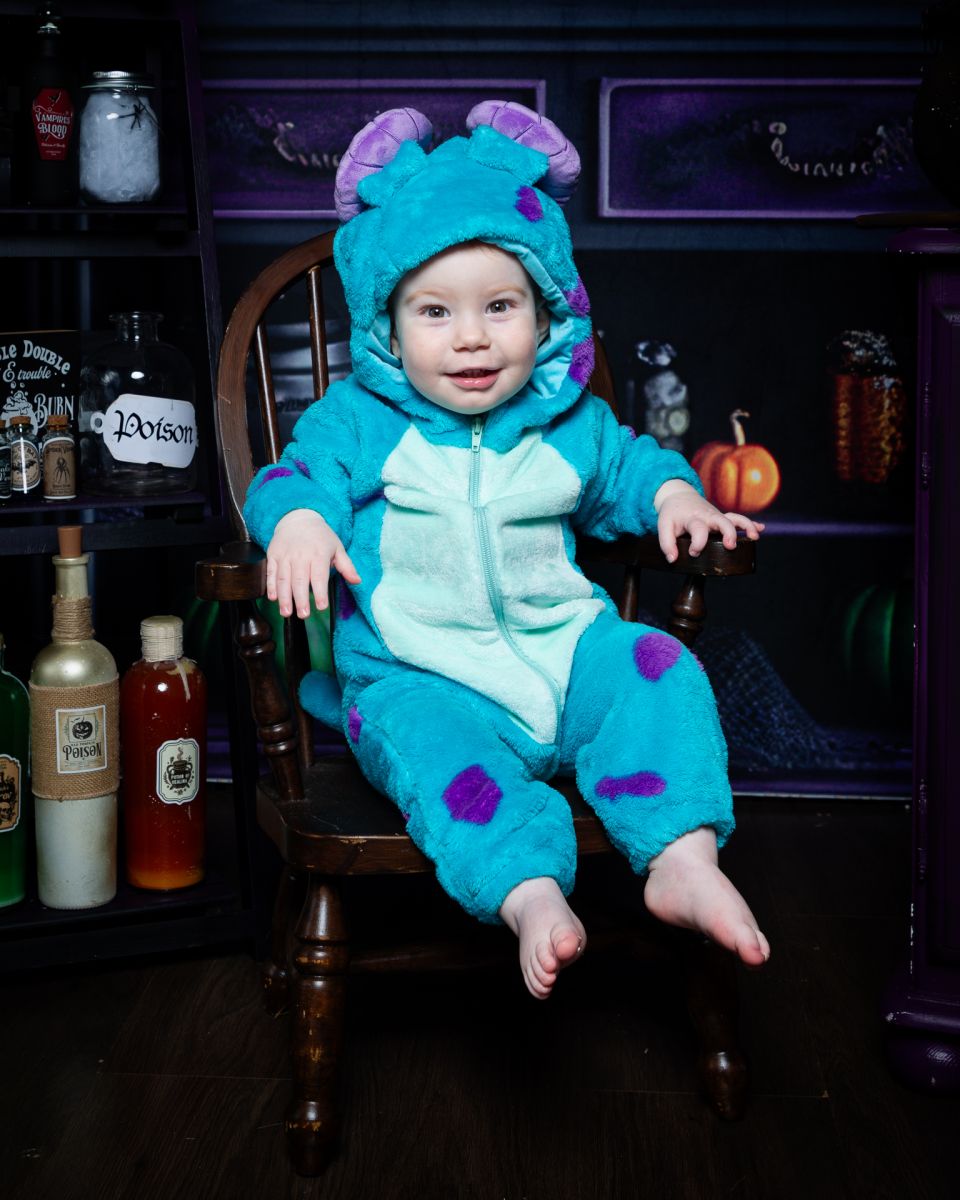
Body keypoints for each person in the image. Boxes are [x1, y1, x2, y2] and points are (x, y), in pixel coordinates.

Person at [244, 102, 770, 999]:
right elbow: (292, 477)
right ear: (385, 328)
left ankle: (681, 855)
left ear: (547, 311)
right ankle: (528, 891)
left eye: (500, 306)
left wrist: (678, 495)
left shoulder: (570, 423)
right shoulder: (360, 424)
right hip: (421, 677)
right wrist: (295, 522)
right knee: (437, 754)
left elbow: (634, 468)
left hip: (565, 664)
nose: (473, 337)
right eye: (435, 312)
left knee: (659, 665)